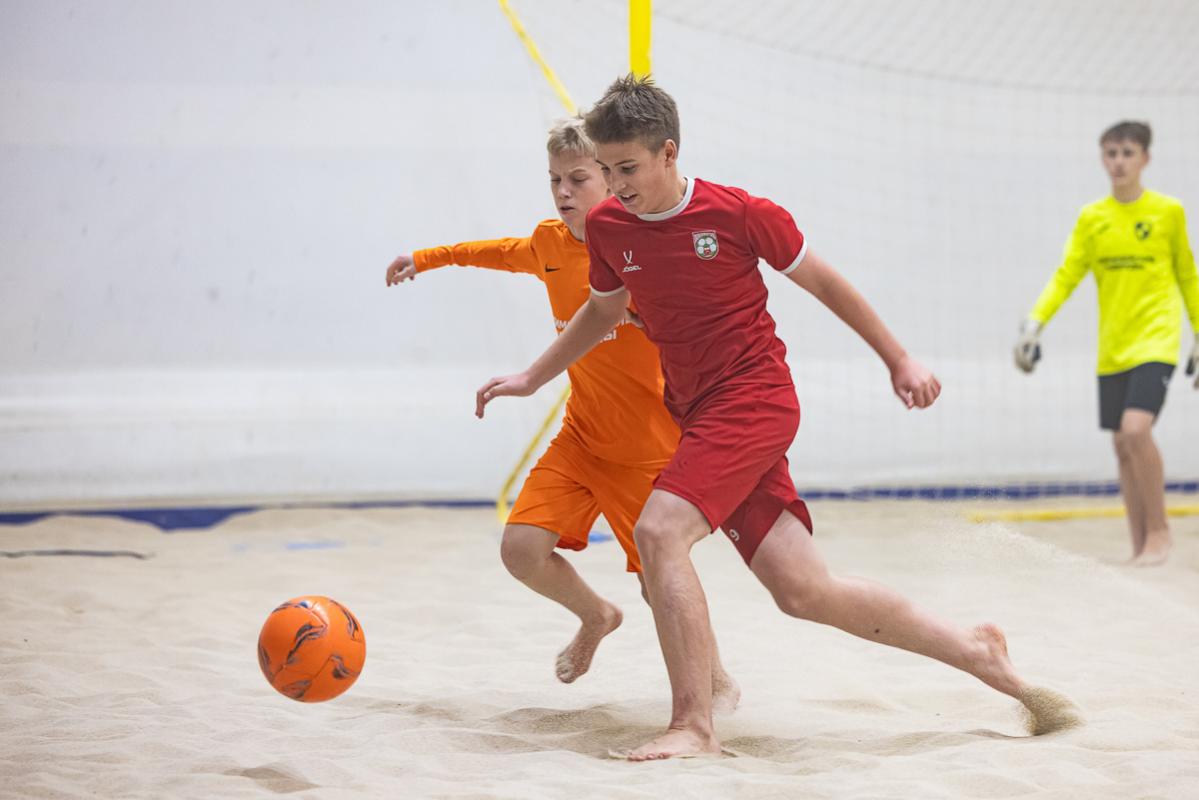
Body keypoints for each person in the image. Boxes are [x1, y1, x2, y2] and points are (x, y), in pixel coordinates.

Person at [475, 75, 1042, 761]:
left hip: (753, 398)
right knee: (803, 591)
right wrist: (532, 378)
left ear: (668, 153)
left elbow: (824, 282)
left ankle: (693, 725)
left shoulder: (740, 214)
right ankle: (974, 649)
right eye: (608, 170)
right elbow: (601, 310)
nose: (616, 185)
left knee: (658, 532)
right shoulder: (609, 227)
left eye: (627, 168)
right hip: (697, 412)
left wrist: (898, 359)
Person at [386, 118, 738, 704]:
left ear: (611, 179)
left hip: (648, 452)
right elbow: (496, 252)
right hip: (581, 440)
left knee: (659, 584)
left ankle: (717, 682)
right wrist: (426, 258)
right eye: (554, 179)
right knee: (520, 551)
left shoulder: (644, 251)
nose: (563, 191)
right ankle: (597, 614)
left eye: (577, 178)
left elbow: (704, 322)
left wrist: (656, 321)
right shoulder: (549, 244)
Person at [1014, 121, 1199, 566]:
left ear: (1145, 159)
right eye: (1111, 153)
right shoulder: (1092, 218)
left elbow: (1188, 276)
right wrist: (1035, 324)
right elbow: (1067, 275)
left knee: (1136, 430)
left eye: (1128, 153)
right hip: (1113, 347)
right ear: (1102, 159)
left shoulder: (1167, 212)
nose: (1119, 162)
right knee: (1121, 443)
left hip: (1156, 341)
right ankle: (1139, 545)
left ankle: (1160, 534)